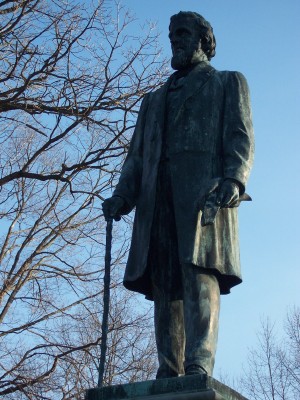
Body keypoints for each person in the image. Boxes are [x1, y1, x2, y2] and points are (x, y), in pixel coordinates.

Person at [102, 11, 254, 379]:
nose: (175, 40)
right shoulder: (152, 101)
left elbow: (240, 136)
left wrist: (234, 180)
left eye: (182, 33)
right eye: (172, 35)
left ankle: (198, 362)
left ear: (204, 39)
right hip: (157, 202)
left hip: (203, 196)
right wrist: (123, 196)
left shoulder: (227, 83)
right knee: (164, 281)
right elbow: (137, 157)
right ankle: (168, 368)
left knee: (199, 274)